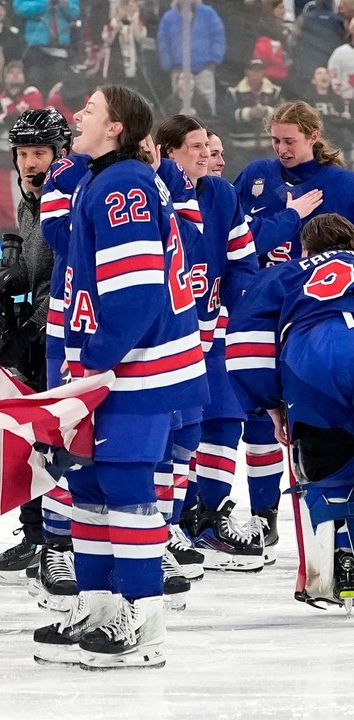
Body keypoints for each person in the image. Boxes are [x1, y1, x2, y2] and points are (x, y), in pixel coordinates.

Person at [32, 85, 208, 670]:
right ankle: (101, 606)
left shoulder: (123, 184)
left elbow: (134, 298)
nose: (79, 114)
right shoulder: (99, 178)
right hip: (101, 369)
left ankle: (144, 619)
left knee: (128, 489)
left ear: (116, 128)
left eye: (91, 109)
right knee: (86, 487)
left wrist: (93, 361)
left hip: (134, 372)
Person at [231, 100, 354, 562]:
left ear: (314, 137)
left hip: (297, 330)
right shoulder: (256, 176)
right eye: (276, 140)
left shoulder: (343, 184)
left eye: (291, 140)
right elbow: (235, 234)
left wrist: (267, 398)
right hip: (315, 324)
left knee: (308, 438)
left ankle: (331, 546)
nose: (281, 149)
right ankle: (270, 519)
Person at [226, 212, 354, 607]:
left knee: (328, 469)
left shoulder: (282, 274)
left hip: (312, 360)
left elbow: (245, 345)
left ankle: (340, 559)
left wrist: (269, 405)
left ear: (306, 249)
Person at [155, 115, 261, 573]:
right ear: (167, 151)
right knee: (172, 432)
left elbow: (243, 260)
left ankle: (208, 517)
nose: (205, 153)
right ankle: (166, 523)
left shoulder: (221, 194)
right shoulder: (154, 193)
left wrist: (235, 312)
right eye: (195, 146)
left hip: (214, 336)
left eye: (206, 145)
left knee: (222, 423)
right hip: (169, 340)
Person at [0, 109, 78, 606]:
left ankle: (59, 539)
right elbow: (33, 272)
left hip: (64, 335)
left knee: (56, 439)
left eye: (38, 153)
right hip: (39, 331)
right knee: (31, 439)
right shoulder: (30, 202)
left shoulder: (72, 198)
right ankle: (38, 533)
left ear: (60, 153)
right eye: (21, 154)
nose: (27, 162)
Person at [157, 0, 226, 116]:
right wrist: (169, 65)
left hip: (204, 69)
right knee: (177, 105)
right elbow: (163, 42)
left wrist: (214, 60)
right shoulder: (169, 17)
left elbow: (218, 36)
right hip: (179, 71)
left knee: (207, 105)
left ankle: (208, 132)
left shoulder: (208, 13)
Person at [15, 0, 81, 93]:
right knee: (35, 86)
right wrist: (45, 3)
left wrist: (66, 4)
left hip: (60, 50)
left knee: (58, 87)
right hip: (35, 49)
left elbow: (76, 12)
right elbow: (20, 8)